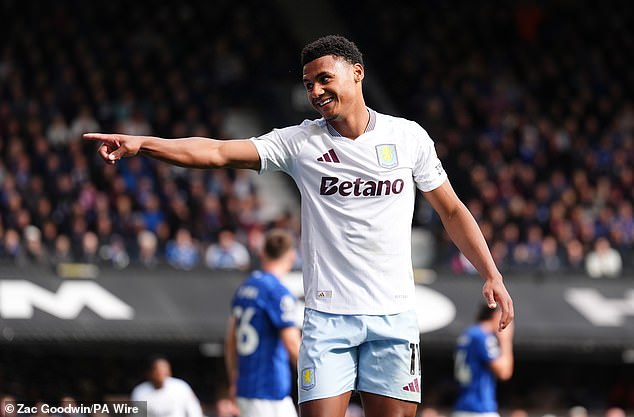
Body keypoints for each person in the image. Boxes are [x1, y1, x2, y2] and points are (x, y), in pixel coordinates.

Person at [85, 34, 514, 417]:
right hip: (327, 318)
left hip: (394, 315)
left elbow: (452, 211)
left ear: (357, 73)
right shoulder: (299, 143)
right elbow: (215, 152)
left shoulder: (408, 138)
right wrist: (143, 144)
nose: (316, 90)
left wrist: (491, 273)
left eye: (324, 78)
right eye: (309, 84)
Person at [224, 228, 301, 417]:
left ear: (262, 253)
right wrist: (318, 379)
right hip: (269, 390)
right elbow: (292, 343)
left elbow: (231, 340)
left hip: (246, 387)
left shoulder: (245, 287)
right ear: (291, 256)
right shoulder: (278, 292)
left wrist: (234, 379)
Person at [452, 304, 514, 417]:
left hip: (462, 405)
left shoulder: (468, 333)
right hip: (479, 408)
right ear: (496, 316)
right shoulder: (482, 336)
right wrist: (506, 340)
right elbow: (504, 372)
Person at [130, 356, 204, 417]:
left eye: (165, 369)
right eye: (158, 370)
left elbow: (194, 411)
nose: (162, 373)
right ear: (149, 373)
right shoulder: (140, 392)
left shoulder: (181, 387)